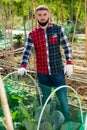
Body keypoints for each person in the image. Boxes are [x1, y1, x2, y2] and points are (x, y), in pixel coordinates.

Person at [17, 5, 73, 122]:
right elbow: (27, 51)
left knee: (63, 99)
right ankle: (49, 123)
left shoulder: (58, 29)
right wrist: (23, 66)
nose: (42, 17)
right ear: (36, 17)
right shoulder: (33, 34)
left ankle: (66, 122)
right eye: (39, 15)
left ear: (49, 15)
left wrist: (69, 62)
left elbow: (66, 47)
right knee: (46, 100)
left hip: (57, 72)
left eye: (44, 14)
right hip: (42, 74)